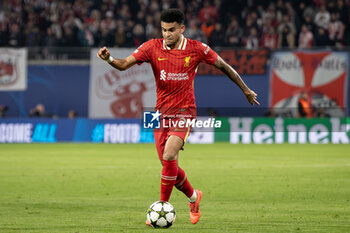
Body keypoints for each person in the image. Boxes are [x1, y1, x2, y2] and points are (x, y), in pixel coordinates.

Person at [97, 8, 259, 226]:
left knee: (170, 155)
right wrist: (109, 59)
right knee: (167, 164)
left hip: (185, 111)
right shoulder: (152, 47)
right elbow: (124, 64)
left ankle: (161, 206)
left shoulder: (196, 49)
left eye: (171, 30)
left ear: (182, 29)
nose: (167, 34)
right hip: (159, 113)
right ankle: (194, 197)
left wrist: (245, 89)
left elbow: (224, 66)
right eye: (163, 30)